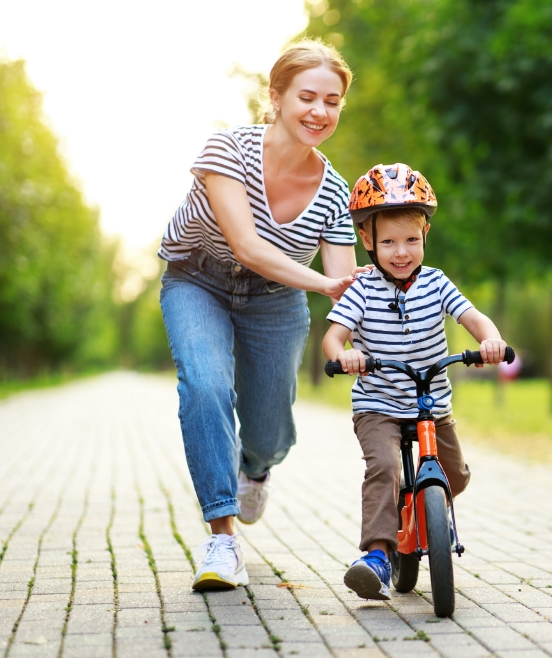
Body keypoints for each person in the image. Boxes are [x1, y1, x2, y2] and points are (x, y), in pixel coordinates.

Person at [159, 39, 368, 591]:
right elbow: (248, 246)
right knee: (204, 387)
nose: (320, 112)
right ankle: (221, 539)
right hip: (196, 279)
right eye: (307, 97)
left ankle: (258, 469)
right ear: (275, 97)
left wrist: (358, 335)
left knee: (270, 425)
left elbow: (347, 290)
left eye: (332, 101)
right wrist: (325, 282)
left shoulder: (335, 192)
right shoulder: (226, 151)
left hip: (276, 301)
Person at [322, 163, 508, 600]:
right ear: (367, 241)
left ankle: (425, 513)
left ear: (425, 233)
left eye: (410, 239)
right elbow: (333, 337)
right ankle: (378, 556)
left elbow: (473, 317)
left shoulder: (437, 283)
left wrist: (491, 341)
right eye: (388, 241)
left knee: (456, 476)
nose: (400, 252)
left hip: (431, 404)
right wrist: (345, 356)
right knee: (384, 468)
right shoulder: (362, 290)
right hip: (379, 405)